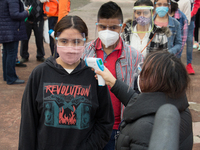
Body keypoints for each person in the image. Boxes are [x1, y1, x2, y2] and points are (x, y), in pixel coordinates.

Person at [18, 15, 114, 150]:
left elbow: (105, 122)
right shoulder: (39, 74)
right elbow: (28, 123)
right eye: (63, 41)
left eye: (76, 41)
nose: (70, 47)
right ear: (56, 42)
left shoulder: (95, 75)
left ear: (85, 42)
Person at [95, 51, 193, 150]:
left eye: (144, 72)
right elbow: (143, 104)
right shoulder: (180, 108)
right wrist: (113, 82)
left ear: (155, 82)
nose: (140, 74)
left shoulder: (144, 128)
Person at [82, 1, 143, 149]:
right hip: (91, 125)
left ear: (122, 27)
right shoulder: (85, 52)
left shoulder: (134, 57)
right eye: (103, 27)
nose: (107, 31)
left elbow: (139, 93)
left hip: (119, 127)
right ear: (97, 26)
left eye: (113, 27)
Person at [0, 0, 29, 84]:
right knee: (11, 54)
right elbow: (15, 14)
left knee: (6, 53)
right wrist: (26, 13)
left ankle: (7, 76)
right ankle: (11, 78)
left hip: (5, 29)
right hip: (11, 30)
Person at [178, 0, 200, 74]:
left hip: (190, 20)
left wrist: (190, 15)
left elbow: (197, 3)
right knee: (178, 42)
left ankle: (189, 65)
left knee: (190, 42)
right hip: (178, 18)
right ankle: (177, 64)